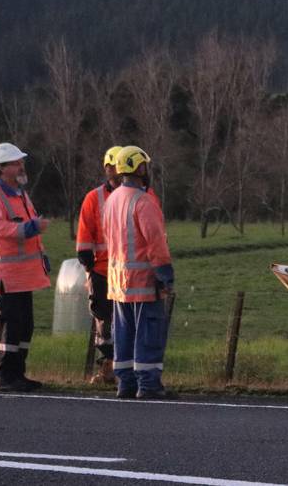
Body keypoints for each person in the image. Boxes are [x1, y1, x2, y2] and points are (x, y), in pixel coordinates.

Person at [102, 145, 175, 400]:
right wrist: (165, 275)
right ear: (140, 168)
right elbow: (156, 242)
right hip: (144, 281)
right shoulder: (143, 201)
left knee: (123, 333)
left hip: (118, 283)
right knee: (148, 332)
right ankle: (149, 384)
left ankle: (126, 383)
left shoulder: (111, 199)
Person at [0, 142, 50, 392]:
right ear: (1, 168)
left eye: (21, 162)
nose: (21, 166)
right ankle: (5, 376)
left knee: (24, 326)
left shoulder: (19, 193)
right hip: (6, 277)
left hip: (23, 276)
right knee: (11, 327)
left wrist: (41, 253)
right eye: (16, 163)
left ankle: (17, 374)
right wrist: (30, 229)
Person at [76, 145, 124, 384]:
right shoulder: (94, 198)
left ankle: (121, 368)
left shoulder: (141, 194)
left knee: (124, 321)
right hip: (102, 270)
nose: (119, 173)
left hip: (128, 272)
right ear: (107, 169)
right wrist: (88, 267)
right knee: (103, 321)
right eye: (115, 168)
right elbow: (85, 235)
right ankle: (108, 366)